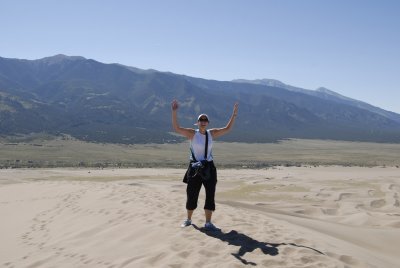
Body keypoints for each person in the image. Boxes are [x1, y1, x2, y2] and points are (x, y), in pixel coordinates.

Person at [171, 99, 239, 231]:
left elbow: (227, 128)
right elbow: (176, 128)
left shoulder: (211, 133)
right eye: (201, 120)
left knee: (210, 194)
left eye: (205, 120)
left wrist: (234, 114)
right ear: (197, 122)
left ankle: (208, 222)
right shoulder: (192, 133)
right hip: (195, 168)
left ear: (207, 123)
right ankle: (188, 219)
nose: (203, 122)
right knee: (191, 194)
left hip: (209, 168)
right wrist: (174, 112)